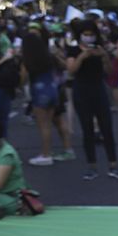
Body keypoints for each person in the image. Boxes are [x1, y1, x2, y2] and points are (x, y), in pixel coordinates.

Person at [65, 21, 118, 181]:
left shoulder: (100, 50)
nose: (89, 37)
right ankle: (91, 165)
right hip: (81, 91)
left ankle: (113, 164)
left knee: (107, 128)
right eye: (86, 34)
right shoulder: (73, 50)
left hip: (99, 89)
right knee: (87, 129)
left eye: (92, 34)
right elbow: (71, 70)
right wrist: (82, 56)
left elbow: (110, 71)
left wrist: (104, 57)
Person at [20, 28, 74, 167]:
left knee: (44, 125)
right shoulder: (49, 56)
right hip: (53, 89)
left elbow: (23, 79)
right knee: (57, 120)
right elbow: (63, 66)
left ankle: (46, 154)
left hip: (39, 92)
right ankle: (68, 149)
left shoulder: (28, 59)